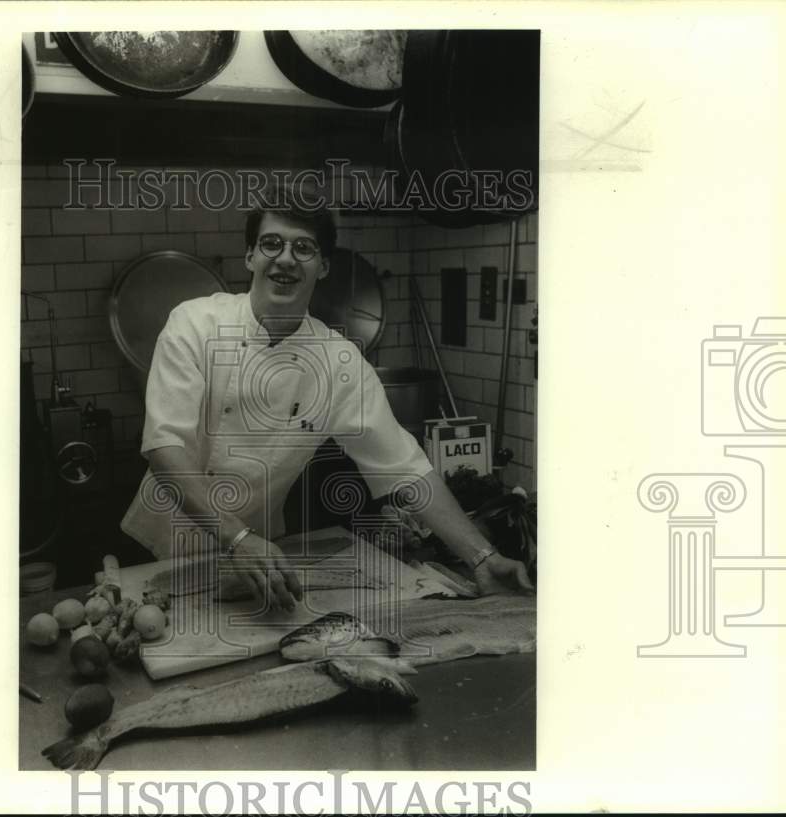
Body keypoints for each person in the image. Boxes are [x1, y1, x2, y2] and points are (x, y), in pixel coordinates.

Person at [121, 193, 533, 610]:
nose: (286, 259)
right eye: (271, 244)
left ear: (324, 266)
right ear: (249, 257)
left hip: (262, 551)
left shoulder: (338, 361)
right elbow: (163, 446)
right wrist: (235, 538)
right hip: (167, 538)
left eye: (304, 248)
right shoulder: (193, 323)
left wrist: (482, 556)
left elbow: (406, 469)